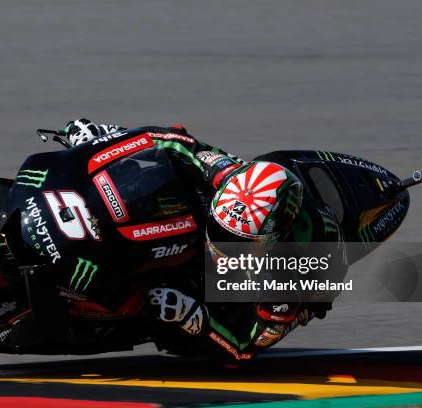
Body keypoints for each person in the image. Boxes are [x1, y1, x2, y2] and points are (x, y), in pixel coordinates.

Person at [63, 118, 344, 362]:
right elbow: (171, 140)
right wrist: (106, 139)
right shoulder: (231, 177)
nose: (221, 244)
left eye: (237, 241)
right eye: (221, 231)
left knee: (187, 338)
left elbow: (249, 344)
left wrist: (193, 318)